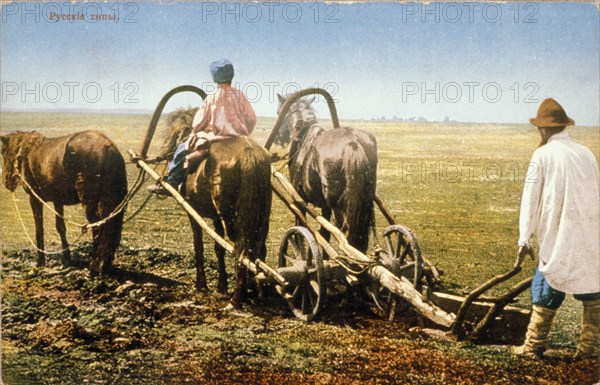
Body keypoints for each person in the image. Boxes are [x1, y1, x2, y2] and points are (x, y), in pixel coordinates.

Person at [511, 98, 600, 359]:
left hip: (558, 232)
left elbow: (530, 199)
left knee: (547, 278)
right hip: (589, 232)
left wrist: (524, 239)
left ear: (544, 130)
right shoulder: (587, 154)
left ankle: (533, 345)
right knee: (593, 289)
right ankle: (589, 348)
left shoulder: (542, 155)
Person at [149, 59, 256, 195]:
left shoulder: (212, 97)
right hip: (240, 139)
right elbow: (252, 119)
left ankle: (172, 182)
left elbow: (199, 122)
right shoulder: (241, 95)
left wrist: (197, 130)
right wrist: (244, 133)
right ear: (231, 75)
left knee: (182, 149)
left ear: (215, 78)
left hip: (218, 138)